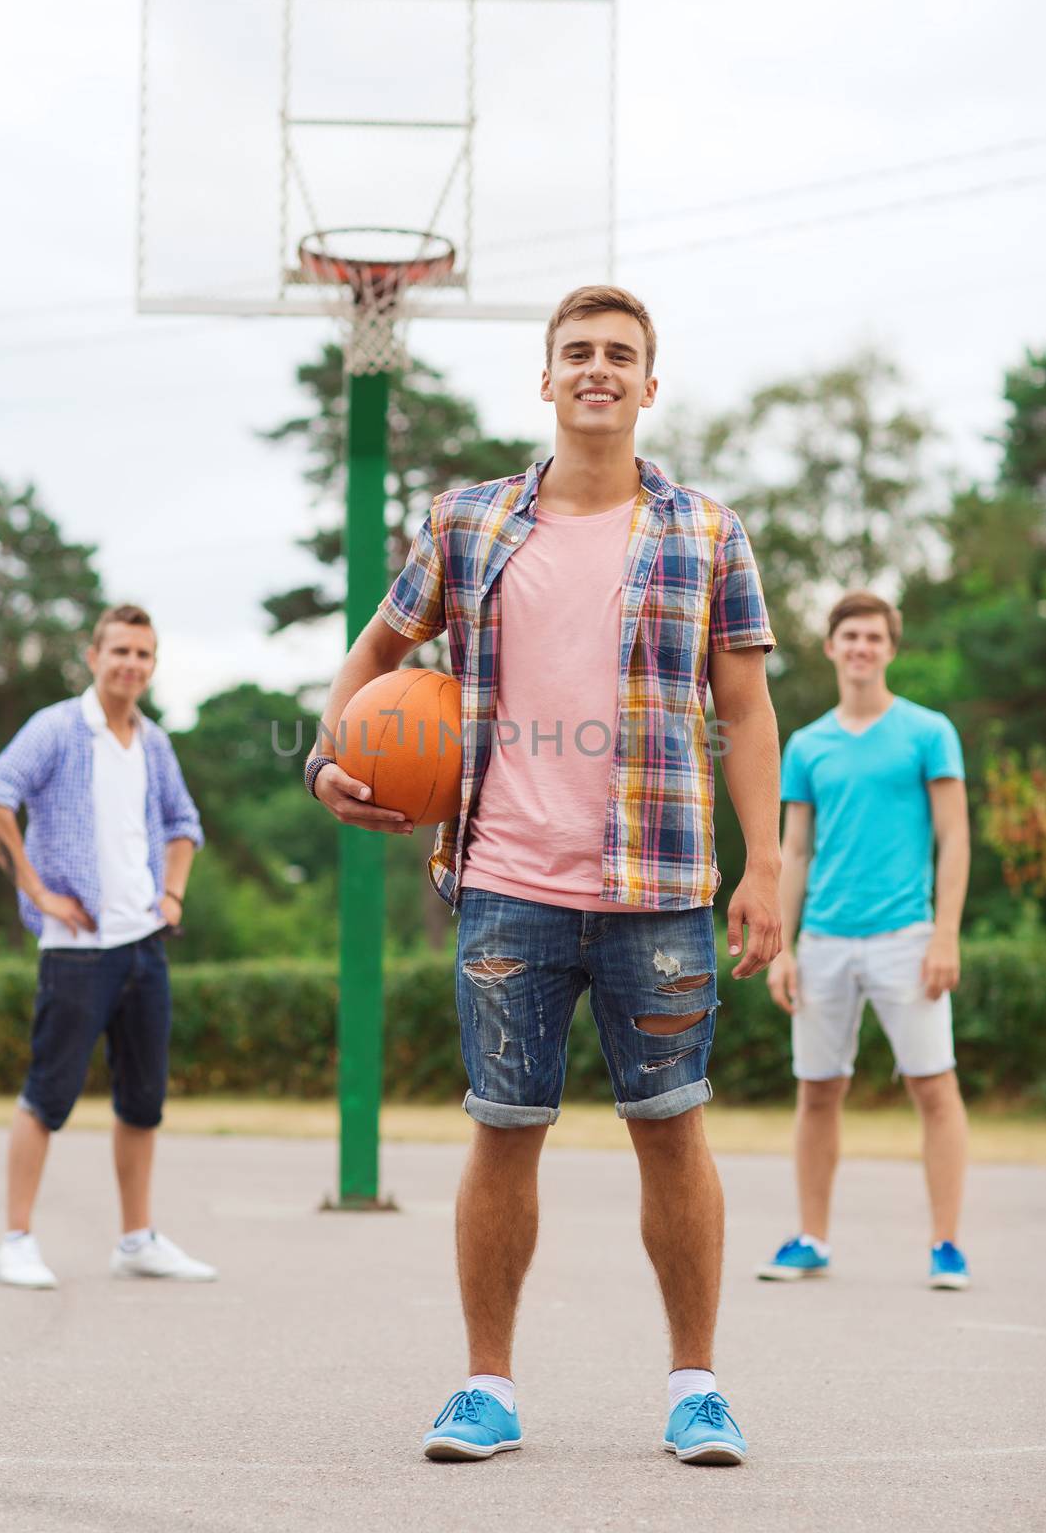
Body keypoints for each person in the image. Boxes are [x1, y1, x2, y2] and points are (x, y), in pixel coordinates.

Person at [306, 286, 781, 1465]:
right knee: (502, 1129)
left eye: (619, 354)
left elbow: (746, 705)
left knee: (670, 1129)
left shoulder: (707, 531)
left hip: (658, 884)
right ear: (546, 377)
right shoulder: (466, 522)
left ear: (648, 384)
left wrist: (765, 861)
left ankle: (694, 1389)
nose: (597, 369)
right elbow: (378, 647)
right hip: (507, 885)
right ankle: (485, 1388)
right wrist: (330, 756)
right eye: (577, 352)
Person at [0, 604, 216, 1290]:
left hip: (145, 944)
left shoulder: (154, 742)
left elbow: (182, 822)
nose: (131, 664)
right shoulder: (55, 729)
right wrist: (38, 892)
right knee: (47, 1095)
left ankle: (136, 1240)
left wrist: (172, 896)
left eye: (144, 654)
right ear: (93, 656)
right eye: (120, 652)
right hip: (76, 949)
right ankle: (14, 1241)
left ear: (153, 665)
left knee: (143, 1101)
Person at [757, 592, 972, 1290]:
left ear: (889, 647)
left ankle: (945, 1246)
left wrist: (944, 934)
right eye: (848, 635)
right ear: (829, 646)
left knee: (931, 1087)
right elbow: (793, 853)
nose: (860, 647)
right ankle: (810, 1239)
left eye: (873, 637)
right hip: (822, 940)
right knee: (817, 1092)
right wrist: (782, 947)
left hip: (906, 937)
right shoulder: (806, 744)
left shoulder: (927, 732)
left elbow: (953, 837)